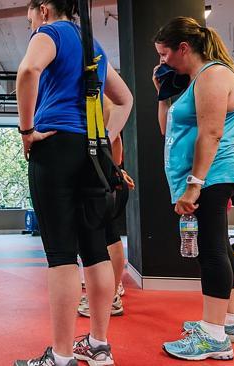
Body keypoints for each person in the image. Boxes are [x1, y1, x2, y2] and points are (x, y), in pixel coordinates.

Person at [14, 1, 133, 365]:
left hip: (55, 147)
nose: (30, 22)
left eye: (30, 14)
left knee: (62, 254)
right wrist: (101, 138)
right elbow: (125, 99)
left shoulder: (50, 33)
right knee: (95, 250)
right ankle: (98, 346)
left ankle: (61, 356)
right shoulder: (91, 43)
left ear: (45, 9)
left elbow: (28, 71)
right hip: (91, 152)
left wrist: (27, 131)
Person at [153, 16, 234, 361]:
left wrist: (194, 186)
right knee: (219, 246)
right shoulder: (195, 81)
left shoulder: (214, 75)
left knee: (211, 252)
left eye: (164, 54)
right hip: (207, 177)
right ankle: (230, 322)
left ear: (183, 48)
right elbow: (167, 131)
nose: (162, 61)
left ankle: (213, 336)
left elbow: (212, 133)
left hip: (212, 176)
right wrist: (162, 94)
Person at [78, 96, 136, 318]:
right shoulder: (103, 99)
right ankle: (114, 288)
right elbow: (115, 140)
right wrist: (117, 170)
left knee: (107, 236)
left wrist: (115, 171)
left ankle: (110, 297)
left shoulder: (100, 101)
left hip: (100, 177)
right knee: (109, 235)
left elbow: (115, 139)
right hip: (106, 175)